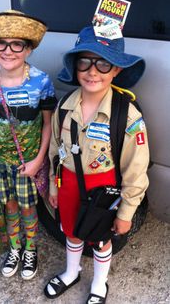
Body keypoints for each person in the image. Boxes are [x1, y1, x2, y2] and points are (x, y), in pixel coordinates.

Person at [44, 25, 149, 303]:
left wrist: (125, 213)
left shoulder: (126, 115)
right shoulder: (65, 105)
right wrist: (54, 188)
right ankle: (71, 271)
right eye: (86, 62)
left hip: (102, 191)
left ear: (116, 70)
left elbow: (136, 171)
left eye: (103, 63)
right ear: (76, 67)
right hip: (67, 184)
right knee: (71, 231)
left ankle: (100, 284)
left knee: (101, 240)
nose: (93, 71)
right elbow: (56, 148)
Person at [0, 10, 57, 280]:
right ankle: (15, 247)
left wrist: (38, 162)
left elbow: (48, 125)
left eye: (17, 44)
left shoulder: (41, 81)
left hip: (27, 163)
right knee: (9, 206)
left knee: (27, 207)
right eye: (1, 43)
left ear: (28, 50)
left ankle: (30, 249)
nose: (8, 51)